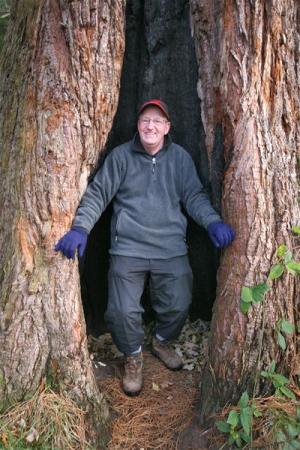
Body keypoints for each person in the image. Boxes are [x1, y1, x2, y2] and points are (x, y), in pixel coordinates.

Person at [55, 99, 235, 396]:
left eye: (157, 121)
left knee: (178, 302)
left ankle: (162, 341)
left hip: (170, 248)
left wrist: (213, 222)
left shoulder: (179, 158)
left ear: (167, 127)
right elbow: (98, 194)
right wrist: (80, 228)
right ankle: (133, 356)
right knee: (121, 311)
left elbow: (194, 196)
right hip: (128, 248)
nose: (150, 126)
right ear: (137, 126)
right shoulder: (121, 157)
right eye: (144, 121)